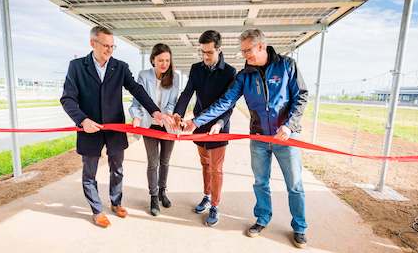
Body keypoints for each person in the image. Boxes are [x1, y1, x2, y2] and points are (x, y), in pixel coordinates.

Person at [182, 29, 309, 248]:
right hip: (258, 137)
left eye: (247, 50)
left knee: (294, 185)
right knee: (261, 182)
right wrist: (196, 122)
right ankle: (262, 218)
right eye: (242, 51)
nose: (244, 55)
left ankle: (299, 227)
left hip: (286, 137)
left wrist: (289, 126)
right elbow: (225, 102)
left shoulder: (287, 65)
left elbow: (301, 96)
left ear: (261, 46)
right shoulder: (244, 76)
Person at [61, 26, 173, 228]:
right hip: (89, 129)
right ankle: (97, 210)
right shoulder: (76, 66)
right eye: (105, 46)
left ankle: (116, 202)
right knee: (89, 174)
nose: (109, 50)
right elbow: (67, 99)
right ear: (92, 43)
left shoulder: (120, 67)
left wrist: (155, 111)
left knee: (118, 170)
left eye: (113, 46)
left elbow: (137, 90)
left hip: (114, 129)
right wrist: (82, 120)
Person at [173, 30, 236, 227]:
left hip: (219, 126)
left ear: (219, 49)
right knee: (205, 164)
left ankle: (215, 205)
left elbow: (229, 104)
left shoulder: (230, 72)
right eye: (202, 52)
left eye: (209, 52)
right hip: (199, 125)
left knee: (216, 168)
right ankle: (207, 195)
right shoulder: (196, 69)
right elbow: (187, 93)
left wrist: (220, 123)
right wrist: (179, 113)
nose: (205, 57)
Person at [129, 43, 179, 216]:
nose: (164, 64)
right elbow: (138, 99)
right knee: (153, 162)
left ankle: (162, 191)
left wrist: (167, 115)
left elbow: (173, 101)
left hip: (167, 127)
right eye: (160, 60)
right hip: (149, 125)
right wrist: (136, 115)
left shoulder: (175, 77)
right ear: (153, 60)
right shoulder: (143, 75)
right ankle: (153, 196)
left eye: (167, 60)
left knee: (165, 161)